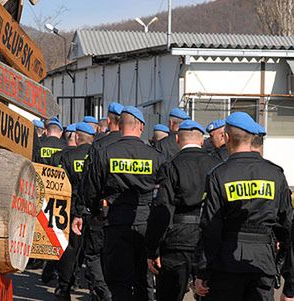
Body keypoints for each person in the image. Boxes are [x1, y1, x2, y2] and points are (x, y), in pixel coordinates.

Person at [195, 112, 292, 301]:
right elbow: (287, 227)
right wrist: (287, 274)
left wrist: (202, 272)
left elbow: (210, 228)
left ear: (227, 138)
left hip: (226, 264)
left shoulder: (218, 175)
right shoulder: (275, 174)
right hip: (262, 262)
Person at [83, 106, 164, 300]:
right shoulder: (156, 156)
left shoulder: (105, 152)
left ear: (119, 125)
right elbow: (164, 192)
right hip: (146, 222)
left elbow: (91, 188)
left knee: (119, 282)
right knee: (144, 280)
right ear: (141, 126)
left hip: (115, 221)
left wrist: (96, 212)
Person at [146, 120, 221, 301]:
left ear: (177, 139)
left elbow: (162, 210)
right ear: (202, 141)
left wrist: (153, 250)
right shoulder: (217, 166)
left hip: (176, 240)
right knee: (209, 293)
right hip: (208, 239)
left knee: (170, 295)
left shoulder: (170, 167)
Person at [74, 102, 124, 301]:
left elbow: (89, 181)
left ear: (109, 120)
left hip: (100, 212)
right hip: (129, 214)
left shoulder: (99, 145)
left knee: (94, 254)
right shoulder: (137, 145)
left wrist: (82, 210)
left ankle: (103, 292)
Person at [55, 122, 96, 300]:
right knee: (93, 251)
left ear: (77, 137)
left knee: (70, 249)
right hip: (93, 210)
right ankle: (93, 287)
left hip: (71, 209)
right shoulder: (97, 155)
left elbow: (59, 184)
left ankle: (64, 287)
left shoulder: (67, 156)